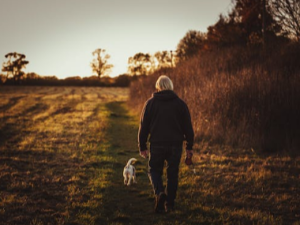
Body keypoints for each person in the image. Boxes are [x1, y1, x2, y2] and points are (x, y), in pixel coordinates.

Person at [138, 75, 194, 213]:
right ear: (170, 86)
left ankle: (159, 193)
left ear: (158, 86)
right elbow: (188, 128)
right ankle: (170, 205)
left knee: (154, 170)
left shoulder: (150, 103)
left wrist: (142, 146)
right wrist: (189, 147)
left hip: (157, 144)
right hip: (175, 145)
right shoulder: (180, 104)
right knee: (172, 174)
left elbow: (143, 126)